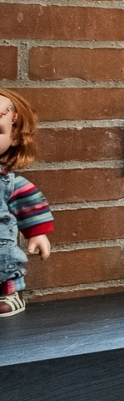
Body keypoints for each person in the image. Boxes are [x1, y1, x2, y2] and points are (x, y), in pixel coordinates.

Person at [0, 89, 52, 317]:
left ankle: (10, 293)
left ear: (14, 137)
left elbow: (30, 201)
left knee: (6, 265)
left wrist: (37, 232)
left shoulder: (8, 182)